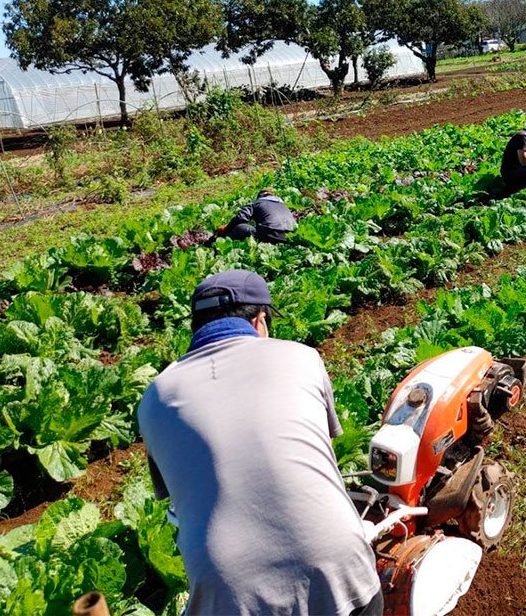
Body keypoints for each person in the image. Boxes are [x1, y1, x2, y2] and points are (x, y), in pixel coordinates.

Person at [137, 270, 382, 616]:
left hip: (227, 594)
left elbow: (176, 498)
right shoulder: (301, 357)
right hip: (337, 569)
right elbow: (320, 454)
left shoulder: (153, 398)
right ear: (260, 322)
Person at [217, 188, 297, 244]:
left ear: (259, 197)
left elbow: (241, 218)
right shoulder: (284, 206)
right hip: (289, 237)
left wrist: (226, 228)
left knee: (240, 227)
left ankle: (221, 242)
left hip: (269, 235)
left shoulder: (257, 203)